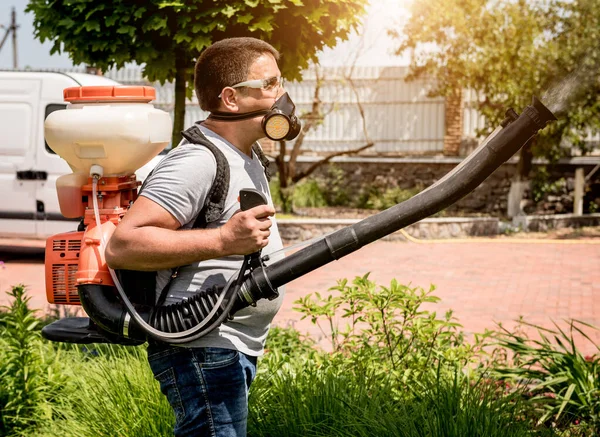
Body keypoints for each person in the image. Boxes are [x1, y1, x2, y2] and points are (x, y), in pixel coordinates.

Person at [105, 37, 293, 437]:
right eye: (270, 84)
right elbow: (124, 245)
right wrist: (223, 241)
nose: (282, 94)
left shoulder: (244, 155)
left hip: (228, 344)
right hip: (201, 347)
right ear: (231, 98)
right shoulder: (199, 159)